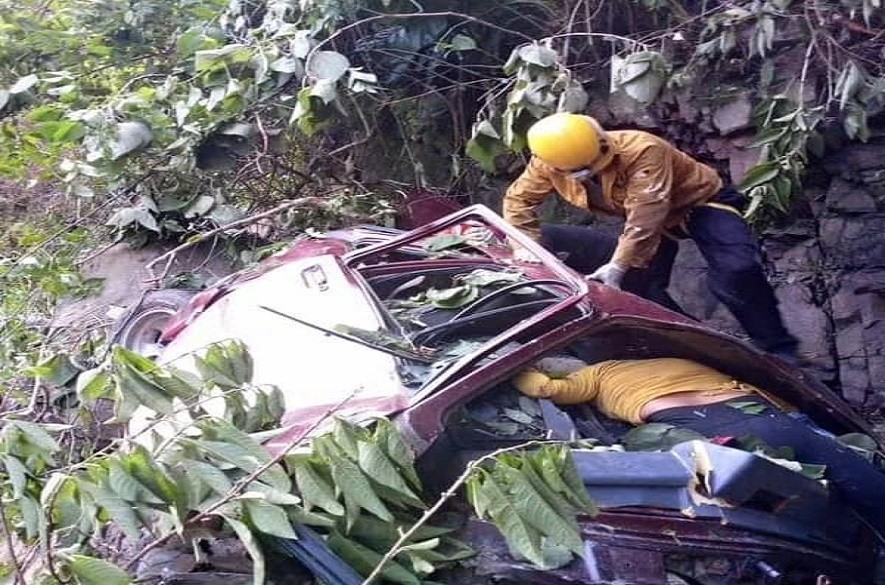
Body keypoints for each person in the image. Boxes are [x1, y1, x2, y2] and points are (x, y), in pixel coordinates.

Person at [503, 112, 799, 361]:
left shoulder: (642, 148)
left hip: (698, 203)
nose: (585, 173)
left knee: (737, 270)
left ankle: (778, 347)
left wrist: (618, 265)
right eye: (575, 171)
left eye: (590, 165)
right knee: (643, 286)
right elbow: (518, 201)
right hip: (642, 219)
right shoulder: (546, 163)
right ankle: (701, 343)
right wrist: (522, 246)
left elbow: (648, 213)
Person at [512, 357, 885, 540]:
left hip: (712, 426)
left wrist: (513, 367)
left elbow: (547, 389)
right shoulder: (663, 358)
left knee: (810, 508)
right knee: (865, 485)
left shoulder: (593, 376)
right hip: (764, 411)